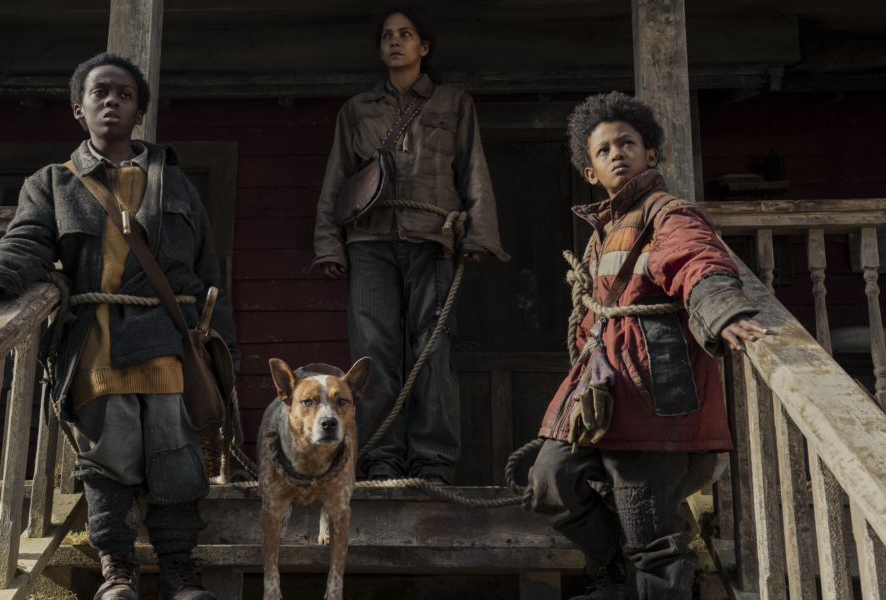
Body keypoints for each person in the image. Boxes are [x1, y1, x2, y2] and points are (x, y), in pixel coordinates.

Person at [0, 53, 239, 600]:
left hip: (169, 340)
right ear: (79, 110)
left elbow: (208, 275)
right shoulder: (53, 184)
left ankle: (180, 567)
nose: (112, 101)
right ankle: (118, 568)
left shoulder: (176, 184)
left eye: (124, 94)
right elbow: (27, 240)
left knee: (174, 451)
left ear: (139, 113)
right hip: (98, 341)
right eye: (100, 92)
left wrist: (222, 347)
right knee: (110, 452)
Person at [527, 92, 767, 600]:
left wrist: (721, 307)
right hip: (604, 390)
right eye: (604, 150)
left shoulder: (668, 213)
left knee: (650, 527)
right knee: (549, 481)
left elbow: (695, 259)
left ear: (650, 154)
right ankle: (615, 573)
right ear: (590, 172)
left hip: (655, 393)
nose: (617, 153)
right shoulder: (602, 231)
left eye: (628, 143)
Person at [310, 5, 509, 485]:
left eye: (405, 34)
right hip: (368, 241)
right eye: (386, 36)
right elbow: (337, 180)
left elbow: (473, 171)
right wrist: (329, 246)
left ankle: (433, 463)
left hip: (433, 240)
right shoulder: (356, 111)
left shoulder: (454, 104)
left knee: (432, 351)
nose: (394, 42)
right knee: (372, 354)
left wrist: (479, 234)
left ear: (424, 46)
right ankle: (380, 459)